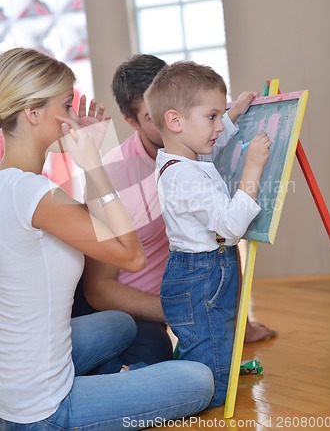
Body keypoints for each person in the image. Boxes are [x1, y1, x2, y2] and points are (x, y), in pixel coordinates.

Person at [0, 48, 214, 429]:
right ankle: (104, 390)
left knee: (120, 324)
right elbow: (131, 256)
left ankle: (112, 379)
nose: (71, 116)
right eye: (65, 105)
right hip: (40, 408)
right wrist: (95, 165)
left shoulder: (17, 185)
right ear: (32, 114)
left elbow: (90, 229)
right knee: (199, 382)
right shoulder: (35, 195)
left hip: (13, 378)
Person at [76, 54, 276, 356]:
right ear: (131, 122)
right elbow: (99, 289)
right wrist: (184, 312)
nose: (171, 122)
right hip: (149, 308)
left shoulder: (196, 147)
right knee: (155, 355)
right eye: (153, 117)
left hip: (195, 297)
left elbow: (221, 235)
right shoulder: (111, 176)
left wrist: (239, 322)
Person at [144, 60, 272, 407]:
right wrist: (253, 168)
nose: (218, 126)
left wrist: (232, 117)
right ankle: (145, 380)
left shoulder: (178, 157)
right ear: (175, 121)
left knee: (211, 343)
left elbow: (209, 146)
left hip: (195, 272)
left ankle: (171, 372)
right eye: (212, 116)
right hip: (203, 276)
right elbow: (231, 227)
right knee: (212, 384)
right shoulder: (184, 175)